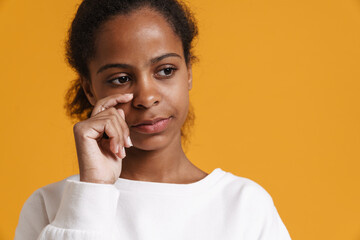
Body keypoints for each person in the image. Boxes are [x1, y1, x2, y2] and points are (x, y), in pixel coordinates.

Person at [15, 0, 291, 239]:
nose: (146, 97)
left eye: (166, 70)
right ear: (89, 89)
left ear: (189, 72)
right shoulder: (50, 206)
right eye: (121, 79)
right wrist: (94, 189)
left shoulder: (245, 205)